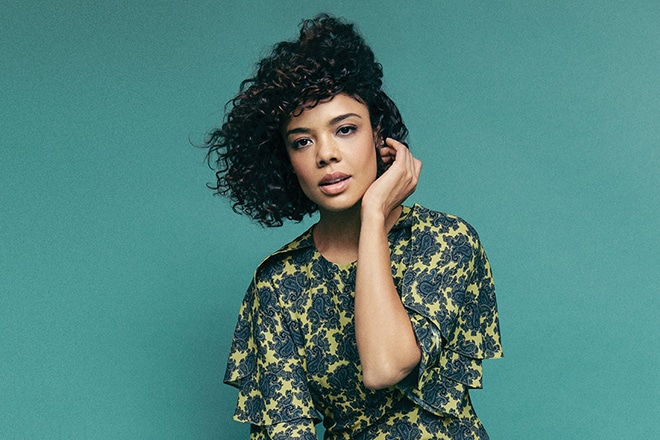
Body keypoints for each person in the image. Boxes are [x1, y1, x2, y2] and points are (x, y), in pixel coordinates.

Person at [205, 14, 503, 440]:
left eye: (345, 129)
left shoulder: (443, 241)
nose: (326, 154)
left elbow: (385, 366)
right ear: (287, 161)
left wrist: (374, 213)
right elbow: (287, 430)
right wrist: (375, 216)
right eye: (302, 141)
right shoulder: (278, 284)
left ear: (378, 136)